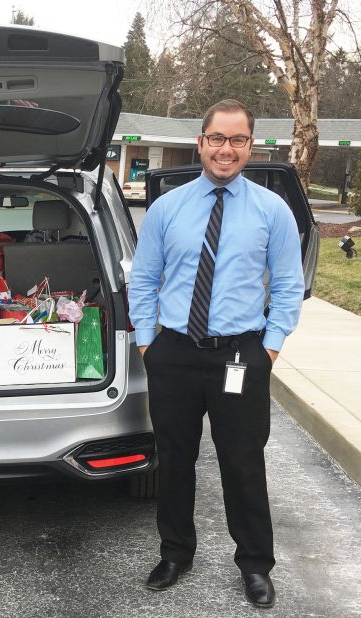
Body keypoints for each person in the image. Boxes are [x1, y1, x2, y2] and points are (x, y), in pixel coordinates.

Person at [128, 99, 305, 609]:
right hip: (175, 353)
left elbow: (289, 285)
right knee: (175, 460)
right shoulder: (168, 208)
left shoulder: (272, 211)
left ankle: (254, 564)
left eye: (238, 140)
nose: (226, 149)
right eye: (218, 139)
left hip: (240, 354)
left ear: (252, 145)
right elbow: (144, 280)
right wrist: (148, 342)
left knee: (243, 462)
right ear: (201, 142)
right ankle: (175, 552)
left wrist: (269, 348)